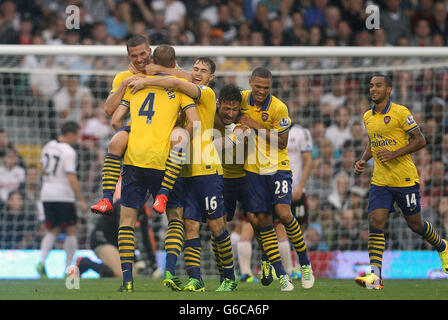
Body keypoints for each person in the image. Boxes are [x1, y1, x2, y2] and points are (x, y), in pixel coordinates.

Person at [128, 58, 239, 292]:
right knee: (190, 226)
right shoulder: (178, 99)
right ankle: (195, 278)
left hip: (207, 170)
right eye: (195, 69)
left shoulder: (206, 93)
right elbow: (176, 83)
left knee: (217, 225)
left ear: (211, 78)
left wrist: (152, 75)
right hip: (184, 171)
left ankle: (229, 277)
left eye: (203, 71)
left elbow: (176, 82)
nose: (198, 73)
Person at [112, 45, 198, 293]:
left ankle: (127, 280)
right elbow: (194, 121)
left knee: (126, 222)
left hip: (135, 160)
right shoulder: (178, 87)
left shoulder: (136, 84)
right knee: (175, 219)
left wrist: (132, 131)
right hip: (164, 162)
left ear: (151, 59)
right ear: (174, 64)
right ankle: (169, 271)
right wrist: (181, 137)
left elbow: (115, 119)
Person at [353, 74, 448, 290]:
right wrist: (362, 160)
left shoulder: (400, 112)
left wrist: (395, 153)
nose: (373, 89)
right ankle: (375, 277)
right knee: (375, 222)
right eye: (371, 86)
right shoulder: (367, 116)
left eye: (378, 85)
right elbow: (373, 142)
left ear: (389, 90)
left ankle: (442, 245)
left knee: (415, 225)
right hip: (380, 180)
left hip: (404, 179)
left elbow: (420, 140)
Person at [238, 66, 314, 291]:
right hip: (252, 170)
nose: (262, 91)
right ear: (251, 82)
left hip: (277, 167)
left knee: (283, 213)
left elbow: (282, 142)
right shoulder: (241, 99)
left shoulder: (279, 107)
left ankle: (305, 264)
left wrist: (254, 125)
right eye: (258, 86)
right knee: (262, 221)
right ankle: (282, 275)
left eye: (267, 88)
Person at [36, 121, 88, 278]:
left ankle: (42, 262)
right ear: (70, 134)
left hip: (47, 193)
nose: (77, 140)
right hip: (63, 195)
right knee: (71, 230)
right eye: (77, 136)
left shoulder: (48, 146)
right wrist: (81, 200)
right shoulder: (68, 151)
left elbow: (42, 169)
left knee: (52, 229)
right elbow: (71, 177)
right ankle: (68, 268)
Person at [274, 120, 313, 280]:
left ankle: (300, 267)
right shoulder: (270, 132)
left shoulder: (301, 132)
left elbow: (308, 160)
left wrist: (300, 186)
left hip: (297, 189)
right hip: (278, 188)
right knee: (280, 228)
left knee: (300, 229)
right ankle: (288, 270)